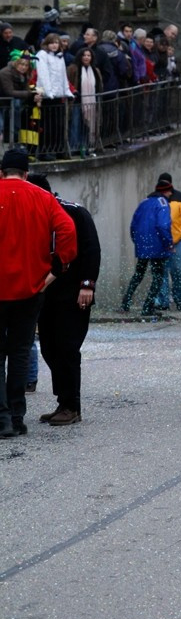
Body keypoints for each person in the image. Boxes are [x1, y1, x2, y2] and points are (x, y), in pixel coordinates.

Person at [0, 147, 77, 436]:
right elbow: (67, 230)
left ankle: (2, 418)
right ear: (26, 173)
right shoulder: (42, 197)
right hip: (31, 288)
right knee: (20, 351)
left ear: (1, 171)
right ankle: (17, 416)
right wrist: (56, 268)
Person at [27, 174, 101, 426]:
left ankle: (72, 405)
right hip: (46, 293)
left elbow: (92, 249)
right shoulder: (33, 215)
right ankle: (63, 400)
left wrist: (87, 285)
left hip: (73, 292)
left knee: (67, 348)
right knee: (48, 347)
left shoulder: (75, 213)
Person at [121, 185, 174, 317]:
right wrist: (168, 243)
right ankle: (147, 307)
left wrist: (137, 242)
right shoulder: (163, 203)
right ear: (165, 192)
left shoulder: (143, 203)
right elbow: (163, 225)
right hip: (157, 245)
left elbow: (133, 225)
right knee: (158, 277)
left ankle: (125, 303)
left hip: (143, 244)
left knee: (138, 274)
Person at [155, 173, 181, 312]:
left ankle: (178, 299)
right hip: (160, 243)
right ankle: (164, 301)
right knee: (162, 273)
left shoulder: (180, 198)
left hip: (176, 241)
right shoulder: (155, 198)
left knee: (177, 272)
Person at [35, 32, 73, 158]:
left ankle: (58, 149)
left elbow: (63, 76)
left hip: (58, 96)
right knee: (47, 125)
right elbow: (43, 75)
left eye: (56, 43)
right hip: (47, 97)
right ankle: (45, 151)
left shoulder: (60, 57)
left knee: (59, 125)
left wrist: (67, 91)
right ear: (47, 43)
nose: (54, 45)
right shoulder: (42, 55)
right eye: (51, 43)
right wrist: (48, 92)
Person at [67, 47, 102, 154]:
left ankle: (84, 147)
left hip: (91, 103)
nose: (86, 57)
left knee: (86, 126)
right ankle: (74, 148)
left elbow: (99, 86)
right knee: (75, 125)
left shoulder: (95, 70)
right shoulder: (73, 68)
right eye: (84, 55)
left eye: (88, 55)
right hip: (77, 102)